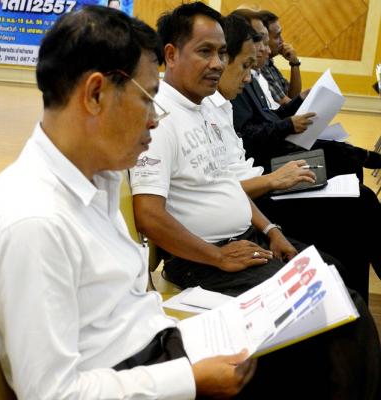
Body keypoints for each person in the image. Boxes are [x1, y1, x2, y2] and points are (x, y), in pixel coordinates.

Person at [0, 6, 259, 399]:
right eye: (148, 99)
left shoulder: (98, 178)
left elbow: (122, 313)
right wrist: (191, 380)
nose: (155, 119)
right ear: (95, 95)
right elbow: (53, 394)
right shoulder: (31, 222)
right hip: (137, 374)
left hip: (155, 348)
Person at [130, 4, 380, 398]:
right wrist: (218, 257)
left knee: (336, 278)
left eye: (221, 53)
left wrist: (271, 229)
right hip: (203, 262)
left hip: (246, 241)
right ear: (172, 54)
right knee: (337, 317)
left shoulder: (207, 109)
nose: (217, 63)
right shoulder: (159, 120)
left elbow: (228, 187)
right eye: (205, 52)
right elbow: (148, 215)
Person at [202, 13, 381, 303]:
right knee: (357, 203)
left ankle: (351, 298)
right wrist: (273, 181)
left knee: (352, 189)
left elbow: (242, 160)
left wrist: (271, 222)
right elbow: (221, 185)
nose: (263, 49)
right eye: (246, 63)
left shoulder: (226, 100)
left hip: (261, 187)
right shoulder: (213, 102)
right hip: (261, 188)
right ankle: (350, 299)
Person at [231, 9, 381, 181]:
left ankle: (365, 160)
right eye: (259, 41)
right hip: (268, 165)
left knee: (344, 154)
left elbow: (269, 117)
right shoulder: (240, 82)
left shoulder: (252, 77)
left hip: (277, 150)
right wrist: (288, 125)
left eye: (265, 42)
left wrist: (299, 101)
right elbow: (248, 138)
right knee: (344, 158)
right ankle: (367, 159)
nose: (266, 50)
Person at [259, 10, 302, 105]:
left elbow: (293, 97)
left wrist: (294, 63)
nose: (282, 40)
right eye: (277, 36)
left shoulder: (269, 63)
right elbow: (287, 104)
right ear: (264, 39)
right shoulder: (260, 66)